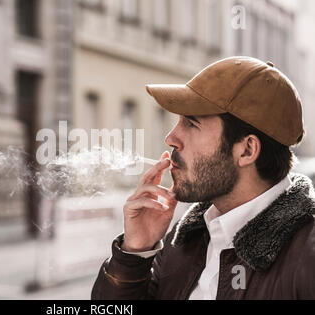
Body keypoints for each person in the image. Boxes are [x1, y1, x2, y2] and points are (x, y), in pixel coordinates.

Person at [91, 56, 314, 300]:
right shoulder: (184, 241)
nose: (171, 138)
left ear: (247, 150)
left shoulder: (307, 257)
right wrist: (134, 254)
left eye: (191, 123)